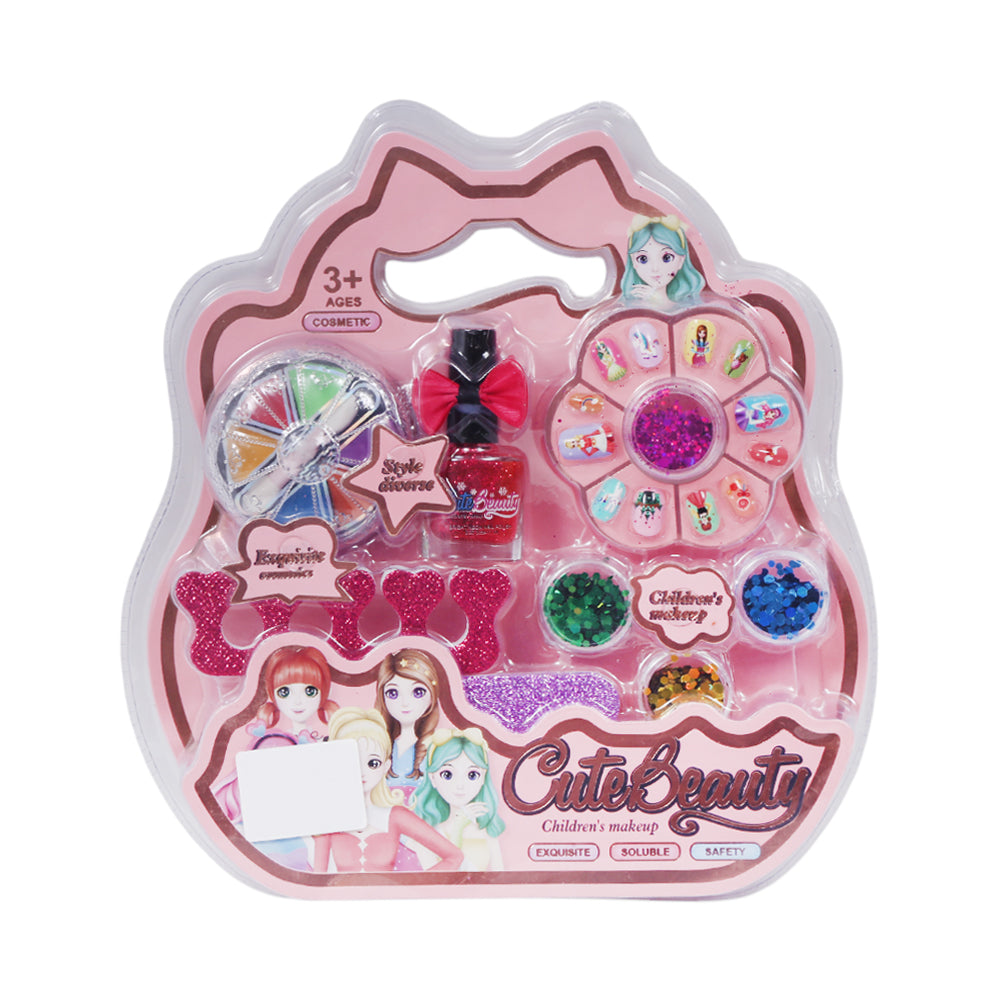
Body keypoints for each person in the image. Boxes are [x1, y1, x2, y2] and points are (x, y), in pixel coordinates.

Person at [313, 708, 462, 874]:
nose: (361, 771)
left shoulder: (395, 816)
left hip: (389, 892)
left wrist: (413, 886)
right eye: (351, 760)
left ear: (386, 766)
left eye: (373, 763)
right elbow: (317, 878)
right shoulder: (329, 818)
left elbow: (454, 857)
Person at [411, 728, 505, 872]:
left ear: (483, 777)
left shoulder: (487, 832)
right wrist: (457, 829)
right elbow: (438, 880)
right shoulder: (427, 835)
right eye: (447, 774)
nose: (460, 785)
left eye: (472, 775)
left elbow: (500, 877)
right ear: (432, 777)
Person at [620, 215, 705, 305]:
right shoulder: (631, 302)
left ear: (681, 260)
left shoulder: (687, 303)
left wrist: (657, 299)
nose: (655, 268)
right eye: (643, 259)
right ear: (633, 260)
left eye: (667, 258)